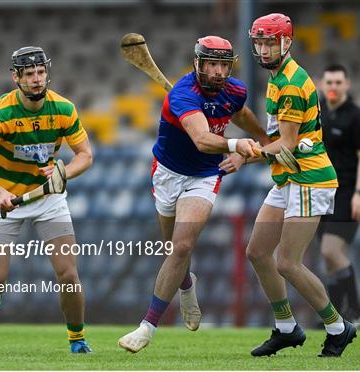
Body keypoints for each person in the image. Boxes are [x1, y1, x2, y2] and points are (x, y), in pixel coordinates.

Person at [118, 36, 270, 353]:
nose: (217, 72)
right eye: (211, 64)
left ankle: (147, 327)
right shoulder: (183, 94)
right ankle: (186, 285)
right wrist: (234, 144)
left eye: (223, 65)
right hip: (167, 174)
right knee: (172, 251)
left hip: (203, 176)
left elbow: (250, 126)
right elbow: (201, 139)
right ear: (198, 64)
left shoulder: (235, 91)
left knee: (182, 245)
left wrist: (248, 151)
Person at [246, 13, 357, 358]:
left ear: (287, 43)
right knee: (257, 252)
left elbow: (288, 144)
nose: (264, 50)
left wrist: (242, 155)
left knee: (287, 262)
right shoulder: (277, 77)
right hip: (287, 177)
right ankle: (286, 328)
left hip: (309, 178)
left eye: (270, 42)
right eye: (259, 42)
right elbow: (279, 142)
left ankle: (338, 328)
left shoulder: (291, 82)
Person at [0, 46, 93, 353]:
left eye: (41, 73)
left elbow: (85, 156)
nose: (38, 80)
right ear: (16, 77)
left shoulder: (63, 109)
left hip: (49, 198)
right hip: (5, 200)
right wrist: (0, 193)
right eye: (30, 74)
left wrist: (63, 172)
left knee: (68, 273)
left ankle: (77, 339)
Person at [318, 64, 360, 327]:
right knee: (329, 259)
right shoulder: (317, 112)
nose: (333, 87)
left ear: (347, 85)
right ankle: (336, 320)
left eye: (338, 82)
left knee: (331, 251)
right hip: (320, 191)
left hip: (346, 192)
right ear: (321, 84)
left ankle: (357, 311)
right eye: (329, 82)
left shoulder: (357, 117)